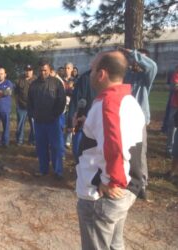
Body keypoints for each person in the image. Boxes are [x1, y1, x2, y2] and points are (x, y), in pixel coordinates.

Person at [76, 50, 145, 250]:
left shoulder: (109, 104)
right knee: (116, 245)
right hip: (124, 190)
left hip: (102, 195)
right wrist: (87, 123)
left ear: (101, 74)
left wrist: (110, 181)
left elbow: (116, 146)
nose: (90, 74)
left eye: (92, 70)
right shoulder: (128, 101)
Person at [121, 47, 158, 200]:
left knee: (140, 152)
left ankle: (142, 184)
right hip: (124, 118)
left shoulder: (146, 77)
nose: (136, 62)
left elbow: (152, 66)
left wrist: (133, 53)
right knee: (124, 149)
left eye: (140, 60)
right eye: (135, 60)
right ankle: (126, 179)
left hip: (140, 120)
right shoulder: (127, 75)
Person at [28, 60, 66, 179]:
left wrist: (55, 114)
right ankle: (43, 169)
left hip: (53, 121)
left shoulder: (56, 83)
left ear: (49, 70)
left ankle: (58, 171)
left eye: (45, 70)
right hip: (39, 122)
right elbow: (30, 102)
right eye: (41, 70)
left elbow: (62, 101)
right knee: (41, 147)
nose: (43, 72)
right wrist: (33, 114)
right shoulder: (33, 85)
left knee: (56, 147)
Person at [67, 70, 96, 162]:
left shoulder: (113, 80)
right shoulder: (85, 78)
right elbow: (76, 100)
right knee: (78, 151)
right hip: (82, 122)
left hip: (100, 126)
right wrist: (71, 121)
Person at [14, 64, 36, 145]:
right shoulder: (19, 80)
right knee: (20, 124)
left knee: (34, 125)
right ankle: (19, 140)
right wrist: (17, 104)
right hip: (21, 106)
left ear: (32, 71)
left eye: (29, 70)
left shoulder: (36, 80)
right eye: (26, 70)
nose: (28, 72)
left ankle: (32, 140)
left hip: (33, 107)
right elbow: (15, 93)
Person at [164, 65, 178, 157]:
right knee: (173, 127)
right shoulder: (176, 74)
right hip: (176, 104)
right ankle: (170, 148)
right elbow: (175, 87)